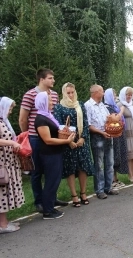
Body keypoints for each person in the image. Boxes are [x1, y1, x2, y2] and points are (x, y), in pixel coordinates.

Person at [19, 68, 68, 213]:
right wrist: (27, 135)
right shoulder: (30, 95)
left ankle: (51, 198)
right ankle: (39, 201)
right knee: (37, 171)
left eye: (53, 78)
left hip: (51, 134)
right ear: (41, 79)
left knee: (51, 171)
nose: (53, 81)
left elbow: (52, 115)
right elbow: (23, 118)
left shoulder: (53, 94)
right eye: (50, 78)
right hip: (35, 137)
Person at [34, 92, 76, 219]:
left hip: (55, 152)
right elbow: (48, 140)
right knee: (51, 181)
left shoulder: (48, 116)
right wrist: (67, 141)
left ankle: (50, 205)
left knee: (55, 180)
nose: (52, 103)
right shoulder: (41, 119)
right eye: (50, 101)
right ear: (43, 102)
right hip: (49, 154)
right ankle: (48, 211)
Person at [54, 83, 94, 207]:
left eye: (72, 92)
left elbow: (86, 123)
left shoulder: (80, 104)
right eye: (68, 93)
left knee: (83, 167)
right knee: (71, 169)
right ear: (64, 93)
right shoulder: (59, 107)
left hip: (81, 141)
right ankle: (74, 195)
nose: (71, 95)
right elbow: (58, 126)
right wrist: (69, 141)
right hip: (68, 143)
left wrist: (83, 138)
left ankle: (83, 193)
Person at [85, 85, 119, 199]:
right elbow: (89, 125)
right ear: (95, 92)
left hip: (108, 135)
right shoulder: (88, 105)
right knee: (99, 165)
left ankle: (108, 187)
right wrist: (101, 132)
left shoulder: (103, 106)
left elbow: (108, 119)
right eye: (102, 91)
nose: (104, 93)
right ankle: (99, 190)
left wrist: (112, 120)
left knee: (109, 163)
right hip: (97, 137)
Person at [0, 97, 24, 233]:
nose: (10, 111)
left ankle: (4, 221)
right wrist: (12, 143)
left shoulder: (4, 121)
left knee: (6, 191)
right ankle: (2, 225)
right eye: (9, 108)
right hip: (2, 164)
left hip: (9, 162)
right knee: (2, 193)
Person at [104, 88, 129, 186]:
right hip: (112, 134)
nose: (115, 96)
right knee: (113, 156)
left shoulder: (113, 106)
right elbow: (115, 119)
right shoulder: (107, 107)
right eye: (113, 94)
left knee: (118, 155)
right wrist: (122, 111)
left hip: (118, 133)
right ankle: (112, 180)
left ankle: (115, 178)